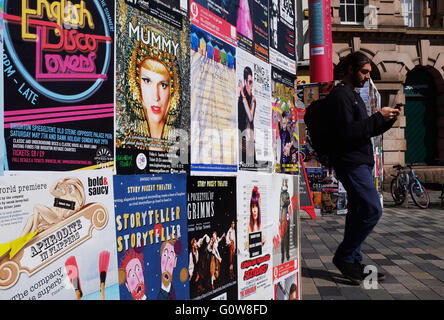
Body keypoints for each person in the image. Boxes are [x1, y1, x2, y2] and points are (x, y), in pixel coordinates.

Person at [328, 51, 400, 284]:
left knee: (359, 211)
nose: (368, 77)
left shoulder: (354, 95)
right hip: (351, 163)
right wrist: (377, 116)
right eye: (364, 72)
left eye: (369, 72)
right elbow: (348, 133)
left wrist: (386, 121)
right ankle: (345, 256)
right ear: (350, 69)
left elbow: (364, 130)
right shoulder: (341, 96)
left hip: (360, 161)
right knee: (372, 209)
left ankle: (354, 259)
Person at [116, 41, 180, 151]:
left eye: (163, 85)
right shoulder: (123, 146)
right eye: (147, 81)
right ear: (136, 85)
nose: (156, 96)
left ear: (172, 92)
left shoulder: (181, 150)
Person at [238, 66, 256, 165]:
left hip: (249, 138)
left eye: (252, 82)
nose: (251, 85)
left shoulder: (252, 99)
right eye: (249, 82)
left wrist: (243, 96)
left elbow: (250, 117)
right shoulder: (240, 97)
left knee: (249, 164)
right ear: (245, 82)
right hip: (240, 137)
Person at [279, 179, 291, 263]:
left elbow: (288, 202)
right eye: (284, 183)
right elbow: (282, 204)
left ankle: (287, 254)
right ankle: (283, 256)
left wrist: (286, 201)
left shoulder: (287, 194)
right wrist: (286, 201)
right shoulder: (281, 194)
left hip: (287, 214)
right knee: (283, 236)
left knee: (287, 235)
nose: (285, 185)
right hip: (283, 215)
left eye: (286, 183)